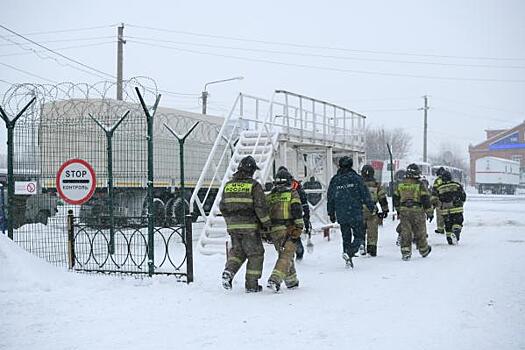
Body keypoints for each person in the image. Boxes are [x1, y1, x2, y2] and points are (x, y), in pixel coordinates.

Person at [220, 156, 271, 293]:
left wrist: (230, 221)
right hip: (249, 228)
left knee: (238, 252)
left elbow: (222, 206)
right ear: (252, 171)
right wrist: (267, 225)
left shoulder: (228, 185)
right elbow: (261, 208)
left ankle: (229, 271)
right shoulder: (254, 186)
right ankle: (251, 285)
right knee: (256, 254)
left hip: (233, 227)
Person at [327, 156, 374, 268]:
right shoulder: (356, 178)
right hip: (355, 212)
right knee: (360, 235)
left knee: (346, 237)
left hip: (342, 213)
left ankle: (348, 258)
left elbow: (330, 198)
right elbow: (365, 194)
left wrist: (331, 213)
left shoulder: (335, 180)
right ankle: (350, 252)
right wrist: (371, 206)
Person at [266, 168, 304, 292]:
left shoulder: (270, 196)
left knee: (285, 255)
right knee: (286, 256)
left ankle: (292, 282)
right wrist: (299, 227)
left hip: (274, 230)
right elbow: (297, 210)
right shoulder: (292, 193)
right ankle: (275, 279)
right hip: (288, 229)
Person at [393, 163, 433, 261]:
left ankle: (406, 251)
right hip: (417, 211)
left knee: (406, 231)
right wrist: (429, 212)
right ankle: (424, 250)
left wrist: (398, 209)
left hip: (404, 211)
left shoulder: (400, 184)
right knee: (420, 231)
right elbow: (425, 198)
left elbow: (395, 198)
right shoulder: (419, 184)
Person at [277, 166, 310, 261]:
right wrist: (306, 216)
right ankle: (297, 252)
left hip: (283, 214)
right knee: (294, 234)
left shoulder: (277, 186)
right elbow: (304, 201)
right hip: (294, 213)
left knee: (285, 236)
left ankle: (290, 255)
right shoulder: (296, 184)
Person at [360, 165, 389, 257]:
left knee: (360, 229)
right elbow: (382, 198)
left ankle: (361, 244)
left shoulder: (358, 184)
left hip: (359, 210)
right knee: (372, 230)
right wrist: (385, 210)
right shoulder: (376, 185)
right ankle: (371, 249)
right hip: (372, 210)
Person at [433, 170, 466, 245]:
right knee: (458, 222)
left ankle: (449, 239)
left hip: (445, 211)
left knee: (448, 225)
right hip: (456, 209)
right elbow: (463, 196)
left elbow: (435, 199)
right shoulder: (457, 185)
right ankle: (456, 230)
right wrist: (461, 202)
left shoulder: (439, 188)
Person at [431, 167, 446, 234]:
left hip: (439, 199)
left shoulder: (438, 180)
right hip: (449, 199)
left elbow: (434, 190)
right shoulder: (448, 179)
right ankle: (448, 227)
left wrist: (433, 201)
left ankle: (440, 229)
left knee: (440, 215)